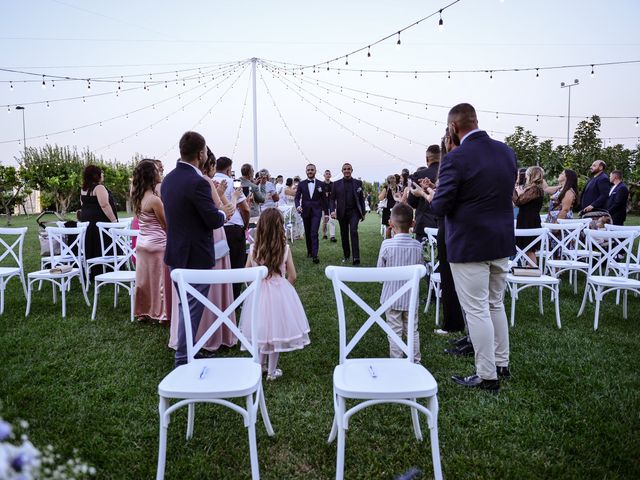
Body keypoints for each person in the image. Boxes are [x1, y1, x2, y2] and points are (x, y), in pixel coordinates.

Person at [430, 103, 516, 392]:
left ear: (453, 128)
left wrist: (445, 158)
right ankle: (502, 363)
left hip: (469, 245)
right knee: (495, 304)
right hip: (501, 241)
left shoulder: (456, 158)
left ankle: (487, 375)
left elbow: (440, 205)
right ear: (476, 121)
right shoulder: (507, 152)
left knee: (477, 310)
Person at [162, 131, 233, 368]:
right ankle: (183, 358)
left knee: (186, 306)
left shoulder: (168, 180)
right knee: (192, 308)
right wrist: (225, 213)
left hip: (175, 252)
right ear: (201, 154)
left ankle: (188, 351)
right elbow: (213, 220)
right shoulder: (198, 182)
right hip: (195, 256)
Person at [238, 208, 310, 381]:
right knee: (276, 332)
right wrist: (285, 289)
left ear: (261, 227)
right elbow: (292, 275)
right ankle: (271, 371)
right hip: (279, 293)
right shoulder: (284, 249)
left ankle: (260, 366)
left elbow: (247, 272)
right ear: (280, 228)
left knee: (261, 330)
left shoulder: (254, 248)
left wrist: (254, 287)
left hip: (259, 294)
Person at [411, 129, 466, 338]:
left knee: (448, 275)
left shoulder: (451, 163)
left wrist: (422, 193)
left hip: (445, 225)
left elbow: (442, 203)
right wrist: (433, 188)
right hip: (455, 226)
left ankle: (453, 322)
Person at [376, 203, 424, 363]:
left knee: (394, 330)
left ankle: (397, 362)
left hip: (391, 297)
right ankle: (415, 361)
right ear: (413, 224)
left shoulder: (386, 244)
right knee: (412, 330)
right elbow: (422, 272)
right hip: (411, 298)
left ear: (390, 223)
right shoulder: (417, 246)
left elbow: (380, 274)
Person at [131, 160, 169, 323]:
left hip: (142, 244)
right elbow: (165, 225)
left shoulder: (137, 196)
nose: (160, 173)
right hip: (158, 244)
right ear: (151, 175)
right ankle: (162, 314)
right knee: (160, 280)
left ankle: (143, 312)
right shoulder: (155, 200)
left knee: (144, 279)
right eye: (157, 171)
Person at [214, 156, 250, 299]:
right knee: (236, 264)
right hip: (234, 227)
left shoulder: (210, 181)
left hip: (216, 227)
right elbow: (245, 208)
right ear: (229, 169)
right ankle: (234, 298)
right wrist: (245, 225)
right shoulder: (235, 182)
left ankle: (220, 297)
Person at [79, 165, 118, 266]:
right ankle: (106, 267)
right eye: (101, 172)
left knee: (92, 243)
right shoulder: (99, 187)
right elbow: (104, 205)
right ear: (96, 175)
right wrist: (114, 221)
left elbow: (83, 204)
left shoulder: (84, 189)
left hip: (87, 220)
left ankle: (93, 268)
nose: (103, 174)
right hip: (99, 221)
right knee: (102, 242)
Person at [331, 163, 367, 265]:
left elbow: (361, 199)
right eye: (345, 169)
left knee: (354, 231)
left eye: (349, 169)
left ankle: (356, 257)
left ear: (352, 170)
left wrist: (363, 212)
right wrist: (333, 210)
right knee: (344, 234)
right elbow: (332, 199)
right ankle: (346, 256)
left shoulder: (358, 183)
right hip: (341, 213)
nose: (347, 170)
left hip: (354, 212)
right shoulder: (336, 184)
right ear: (342, 171)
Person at [513, 166, 545, 266]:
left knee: (530, 249)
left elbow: (518, 201)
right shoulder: (533, 189)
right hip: (526, 219)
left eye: (527, 173)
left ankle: (532, 270)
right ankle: (529, 268)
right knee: (528, 249)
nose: (525, 176)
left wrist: (514, 190)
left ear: (532, 175)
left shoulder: (535, 189)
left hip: (529, 220)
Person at [408, 145, 441, 242]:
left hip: (424, 224)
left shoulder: (419, 175)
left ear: (427, 159)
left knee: (425, 255)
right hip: (446, 224)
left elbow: (412, 202)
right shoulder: (448, 173)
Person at [295, 163, 326, 263]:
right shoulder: (302, 184)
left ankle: (315, 255)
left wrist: (326, 213)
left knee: (314, 232)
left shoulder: (321, 184)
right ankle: (309, 251)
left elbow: (324, 199)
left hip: (317, 212)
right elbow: (297, 197)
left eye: (312, 170)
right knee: (308, 233)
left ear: (315, 171)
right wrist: (298, 206)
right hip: (305, 211)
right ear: (306, 171)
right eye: (308, 170)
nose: (310, 171)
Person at [379, 174, 399, 239]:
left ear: (387, 181)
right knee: (397, 226)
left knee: (388, 227)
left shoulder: (386, 188)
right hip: (397, 207)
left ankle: (388, 242)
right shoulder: (399, 188)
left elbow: (380, 198)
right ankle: (396, 241)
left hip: (387, 208)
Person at [321, 169, 336, 242]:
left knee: (332, 220)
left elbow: (335, 195)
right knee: (325, 221)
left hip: (332, 205)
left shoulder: (333, 184)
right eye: (326, 174)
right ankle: (324, 234)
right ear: (324, 175)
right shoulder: (321, 184)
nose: (328, 175)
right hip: (324, 205)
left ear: (330, 175)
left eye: (329, 174)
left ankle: (332, 236)